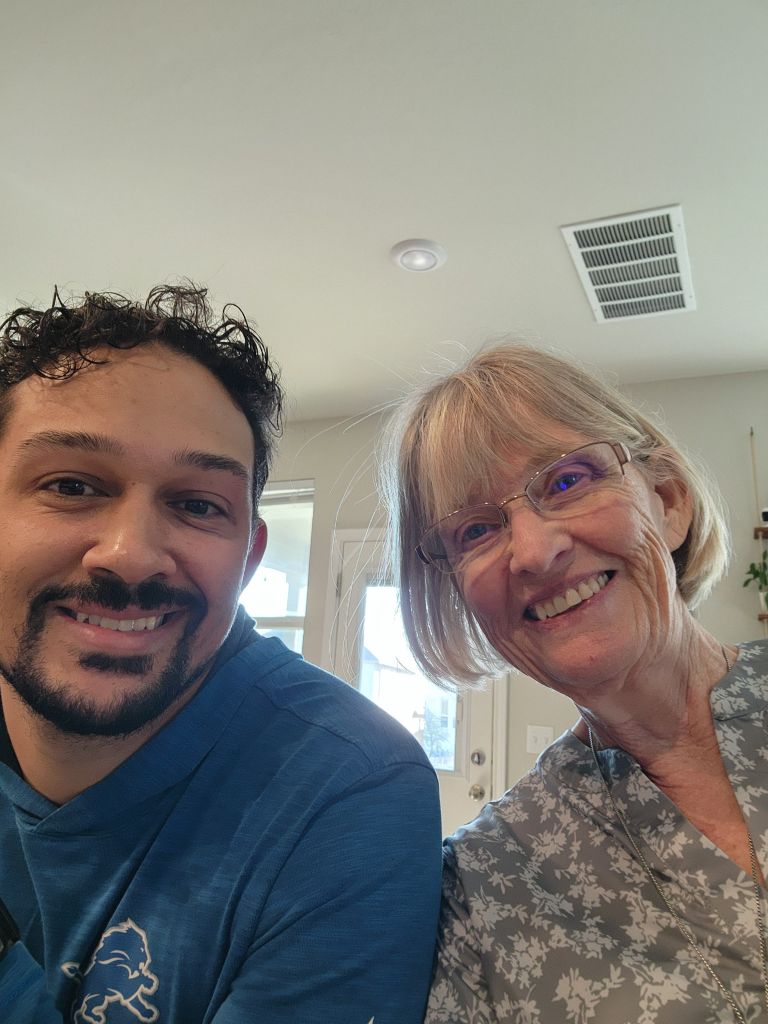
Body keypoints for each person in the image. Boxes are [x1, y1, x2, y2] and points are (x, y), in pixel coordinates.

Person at [0, 284, 441, 1024]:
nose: (131, 555)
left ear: (248, 559)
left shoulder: (348, 783)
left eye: (198, 504)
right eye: (71, 485)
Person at [380, 343, 768, 1024]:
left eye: (567, 481)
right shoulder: (484, 885)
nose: (535, 552)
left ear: (669, 502)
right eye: (475, 529)